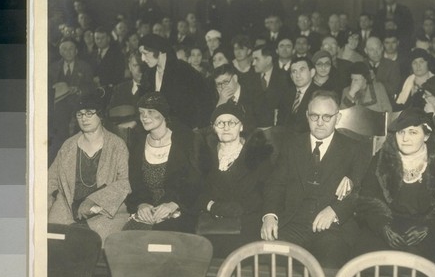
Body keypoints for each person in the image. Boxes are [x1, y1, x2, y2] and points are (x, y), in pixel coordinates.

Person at [261, 90, 370, 267]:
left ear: (338, 117)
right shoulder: (291, 145)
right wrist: (270, 216)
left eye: (327, 117)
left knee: (330, 265)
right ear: (307, 116)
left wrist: (335, 211)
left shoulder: (355, 149)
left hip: (333, 229)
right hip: (294, 223)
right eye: (314, 116)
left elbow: (361, 192)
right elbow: (275, 184)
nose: (320, 123)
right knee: (267, 262)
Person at [354, 108, 435, 272]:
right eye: (401, 132)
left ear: (426, 136)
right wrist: (383, 227)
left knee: (433, 261)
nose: (405, 138)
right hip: (388, 226)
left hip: (423, 230)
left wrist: (429, 227)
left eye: (413, 132)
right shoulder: (382, 159)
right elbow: (368, 198)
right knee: (363, 254)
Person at [48, 94, 131, 240]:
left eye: (89, 113)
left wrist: (94, 201)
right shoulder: (68, 145)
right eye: (79, 114)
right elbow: (51, 179)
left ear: (100, 115)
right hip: (67, 209)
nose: (84, 118)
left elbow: (125, 182)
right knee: (54, 241)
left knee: (93, 244)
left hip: (102, 211)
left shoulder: (117, 145)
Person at [196, 102, 273, 257]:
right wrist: (212, 206)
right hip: (213, 220)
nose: (226, 127)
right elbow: (197, 189)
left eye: (231, 122)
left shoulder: (257, 154)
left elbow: (263, 192)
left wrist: (233, 208)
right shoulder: (205, 153)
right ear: (214, 128)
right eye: (220, 123)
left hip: (246, 219)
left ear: (241, 126)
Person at [124, 93, 202, 233]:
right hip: (147, 210)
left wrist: (174, 204)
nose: (144, 117)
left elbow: (195, 181)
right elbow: (134, 181)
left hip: (179, 208)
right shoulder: (138, 142)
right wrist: (142, 204)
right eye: (141, 113)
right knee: (130, 238)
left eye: (150, 112)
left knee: (163, 237)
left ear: (163, 113)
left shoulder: (186, 140)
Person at [139, 33, 209, 128]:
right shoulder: (148, 74)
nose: (142, 59)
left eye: (145, 54)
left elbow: (202, 100)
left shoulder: (183, 70)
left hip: (183, 128)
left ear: (158, 51)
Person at [277, 57, 320, 133]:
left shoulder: (320, 95)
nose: (298, 75)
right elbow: (280, 123)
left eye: (302, 70)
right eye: (294, 71)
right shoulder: (286, 94)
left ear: (312, 72)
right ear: (291, 76)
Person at [252, 44, 290, 128]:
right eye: (253, 59)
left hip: (277, 129)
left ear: (268, 60)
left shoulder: (285, 78)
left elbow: (286, 108)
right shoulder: (249, 78)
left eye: (256, 59)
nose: (253, 63)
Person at [364, 36, 402, 107]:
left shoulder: (392, 65)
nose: (375, 52)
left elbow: (394, 89)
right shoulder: (361, 65)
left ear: (382, 48)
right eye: (371, 50)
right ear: (366, 51)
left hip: (386, 105)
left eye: (378, 48)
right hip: (365, 105)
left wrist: (375, 80)